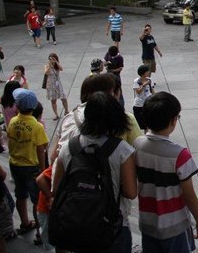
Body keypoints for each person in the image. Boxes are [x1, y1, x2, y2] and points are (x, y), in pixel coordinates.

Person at [53, 92, 137, 252]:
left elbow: (57, 189)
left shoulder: (68, 147)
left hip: (77, 223)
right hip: (112, 226)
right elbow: (131, 192)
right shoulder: (122, 150)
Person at [134, 92, 198, 252]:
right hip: (175, 225)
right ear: (173, 121)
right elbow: (189, 195)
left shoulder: (137, 145)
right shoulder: (180, 155)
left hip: (148, 222)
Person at [7, 89, 48, 243]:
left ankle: (24, 222)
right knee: (37, 200)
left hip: (15, 164)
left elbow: (11, 141)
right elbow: (41, 149)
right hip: (32, 166)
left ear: (17, 106)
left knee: (20, 195)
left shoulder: (12, 121)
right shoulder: (37, 126)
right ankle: (39, 232)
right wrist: (43, 171)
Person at [44, 53, 69, 120]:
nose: (52, 60)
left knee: (64, 98)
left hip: (58, 85)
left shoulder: (57, 66)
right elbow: (46, 73)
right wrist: (50, 64)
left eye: (53, 58)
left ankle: (66, 111)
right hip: (50, 85)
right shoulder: (47, 66)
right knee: (53, 101)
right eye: (50, 59)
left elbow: (61, 69)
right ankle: (56, 114)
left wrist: (56, 62)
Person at [35, 165, 54, 251]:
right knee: (49, 241)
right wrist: (50, 198)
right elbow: (40, 179)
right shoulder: (64, 159)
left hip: (55, 210)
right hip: (46, 209)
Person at [132, 65, 155, 130]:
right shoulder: (137, 81)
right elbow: (138, 92)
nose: (148, 72)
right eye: (147, 71)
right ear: (142, 73)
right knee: (141, 124)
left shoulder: (149, 80)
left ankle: (147, 133)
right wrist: (144, 85)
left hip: (148, 102)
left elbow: (152, 90)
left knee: (148, 123)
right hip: (139, 104)